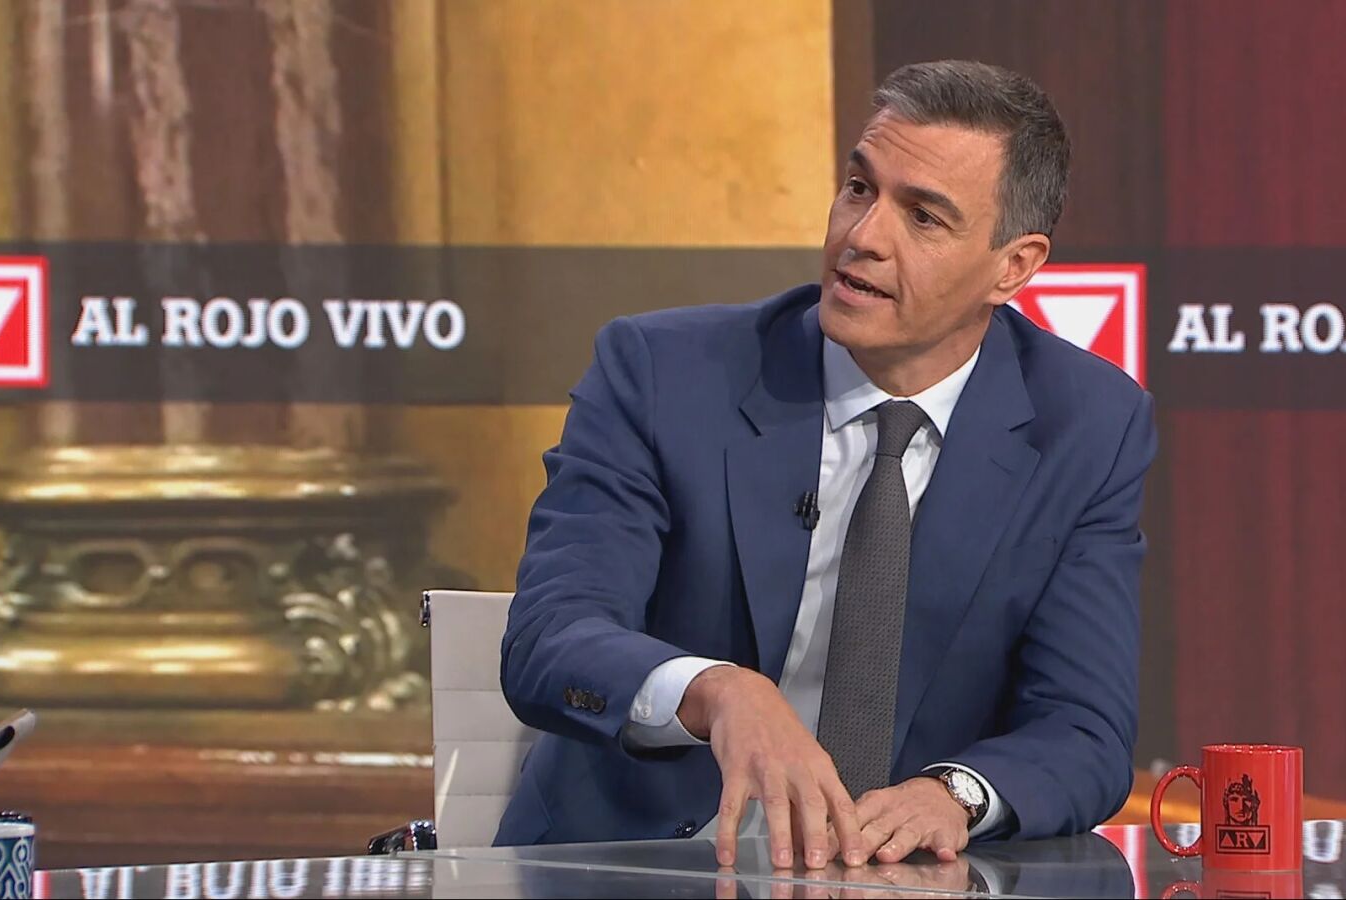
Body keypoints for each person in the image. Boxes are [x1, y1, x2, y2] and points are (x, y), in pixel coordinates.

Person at [495, 59, 1156, 871]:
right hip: (627, 868)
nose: (862, 236)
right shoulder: (662, 374)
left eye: (923, 217)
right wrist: (715, 691)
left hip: (894, 880)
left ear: (1012, 266)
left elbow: (1084, 729)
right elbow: (550, 637)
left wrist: (952, 795)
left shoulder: (1087, 425)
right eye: (858, 187)